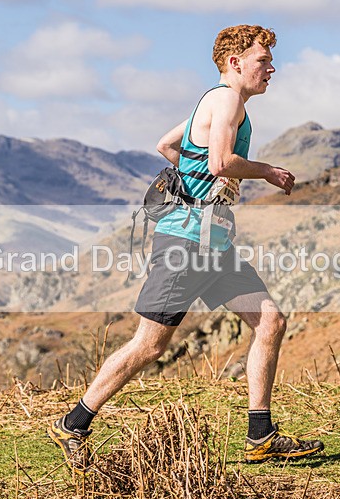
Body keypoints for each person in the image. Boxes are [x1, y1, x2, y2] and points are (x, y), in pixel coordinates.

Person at [47, 24, 324, 471]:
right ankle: (73, 423)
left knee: (270, 320)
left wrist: (200, 182)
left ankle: (261, 435)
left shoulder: (213, 102)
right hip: (186, 243)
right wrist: (267, 172)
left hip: (213, 243)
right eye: (263, 60)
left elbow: (166, 145)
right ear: (235, 63)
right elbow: (220, 161)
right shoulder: (227, 99)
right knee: (149, 346)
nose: (272, 68)